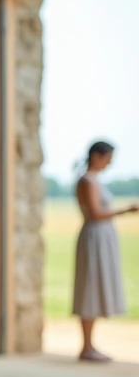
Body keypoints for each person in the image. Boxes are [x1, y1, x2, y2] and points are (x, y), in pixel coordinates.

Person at [73, 141, 138, 363]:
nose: (109, 163)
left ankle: (89, 345)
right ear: (97, 156)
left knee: (95, 287)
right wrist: (126, 210)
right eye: (108, 158)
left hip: (101, 237)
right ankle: (87, 346)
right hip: (95, 238)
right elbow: (95, 213)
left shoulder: (93, 180)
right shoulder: (87, 181)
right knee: (89, 288)